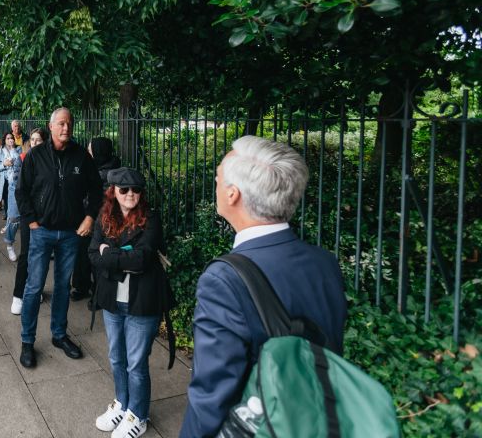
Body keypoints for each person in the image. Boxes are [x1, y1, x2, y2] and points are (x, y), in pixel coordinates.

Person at [179, 136, 348, 438]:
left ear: (232, 195)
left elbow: (212, 394)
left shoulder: (223, 280)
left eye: (218, 177)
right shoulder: (324, 262)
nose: (215, 182)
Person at [16, 108, 103, 368]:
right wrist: (31, 220)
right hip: (41, 231)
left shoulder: (81, 156)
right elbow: (22, 191)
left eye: (70, 123)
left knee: (63, 287)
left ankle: (59, 335)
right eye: (61, 124)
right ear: (51, 126)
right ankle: (27, 340)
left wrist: (89, 217)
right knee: (33, 287)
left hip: (70, 234)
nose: (66, 128)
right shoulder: (36, 156)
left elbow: (96, 190)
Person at [89, 168, 172, 438]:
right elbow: (92, 253)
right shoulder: (105, 218)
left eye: (136, 190)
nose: (130, 195)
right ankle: (122, 404)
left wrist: (109, 254)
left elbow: (143, 259)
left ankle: (139, 414)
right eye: (124, 190)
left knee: (136, 363)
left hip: (141, 302)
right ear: (113, 192)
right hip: (113, 301)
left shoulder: (150, 219)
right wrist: (120, 257)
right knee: (116, 357)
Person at [72, 137, 122, 301]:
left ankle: (95, 292)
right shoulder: (107, 167)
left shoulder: (105, 174)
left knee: (94, 258)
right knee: (85, 255)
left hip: (98, 222)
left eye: (90, 149)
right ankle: (85, 287)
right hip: (91, 220)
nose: (88, 152)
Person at [11, 128, 46, 314]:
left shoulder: (51, 162)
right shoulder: (23, 159)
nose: (34, 143)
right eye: (32, 140)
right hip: (28, 215)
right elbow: (20, 191)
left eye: (38, 140)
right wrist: (30, 217)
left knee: (40, 256)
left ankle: (35, 288)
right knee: (26, 254)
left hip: (46, 216)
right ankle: (18, 294)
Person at [0, 133, 22, 261]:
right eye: (8, 138)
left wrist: (14, 153)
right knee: (10, 211)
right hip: (5, 183)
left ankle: (8, 224)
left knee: (13, 214)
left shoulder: (19, 150)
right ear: (4, 140)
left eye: (12, 138)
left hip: (16, 183)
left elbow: (21, 165)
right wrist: (4, 165)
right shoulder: (0, 152)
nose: (10, 140)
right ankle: (9, 242)